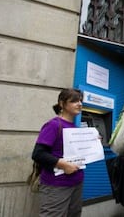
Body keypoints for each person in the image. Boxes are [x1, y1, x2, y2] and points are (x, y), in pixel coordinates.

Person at [32, 88, 85, 217]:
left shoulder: (75, 128)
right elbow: (38, 154)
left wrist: (92, 141)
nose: (79, 104)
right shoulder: (53, 125)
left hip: (76, 182)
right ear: (62, 104)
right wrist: (62, 164)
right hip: (56, 185)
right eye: (74, 101)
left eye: (80, 100)